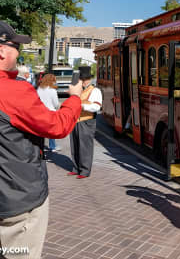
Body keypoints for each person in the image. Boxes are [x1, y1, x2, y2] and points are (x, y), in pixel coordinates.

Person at [0, 20, 82, 259]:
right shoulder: (13, 91)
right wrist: (74, 99)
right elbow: (57, 126)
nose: (19, 52)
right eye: (17, 46)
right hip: (17, 199)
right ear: (2, 51)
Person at [68, 66, 102, 179]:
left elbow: (96, 107)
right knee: (75, 145)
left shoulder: (95, 90)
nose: (79, 82)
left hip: (87, 121)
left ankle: (84, 170)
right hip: (75, 121)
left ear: (86, 80)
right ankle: (76, 168)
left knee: (85, 147)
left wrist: (81, 105)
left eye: (81, 79)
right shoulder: (79, 90)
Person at [37, 74, 61, 153]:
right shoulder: (52, 91)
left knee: (41, 131)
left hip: (40, 112)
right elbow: (56, 104)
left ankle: (41, 146)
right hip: (50, 112)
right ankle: (52, 146)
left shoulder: (39, 89)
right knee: (51, 131)